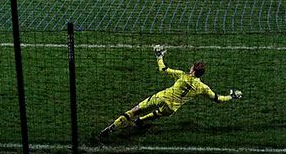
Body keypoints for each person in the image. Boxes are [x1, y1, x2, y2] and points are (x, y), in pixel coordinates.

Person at [99, 45, 242, 136]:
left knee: (135, 110)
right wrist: (232, 96)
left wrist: (159, 55)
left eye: (191, 67)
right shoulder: (203, 88)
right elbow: (217, 99)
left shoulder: (182, 75)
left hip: (161, 97)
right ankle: (141, 122)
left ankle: (114, 126)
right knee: (157, 114)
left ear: (192, 71)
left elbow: (163, 69)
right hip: (172, 108)